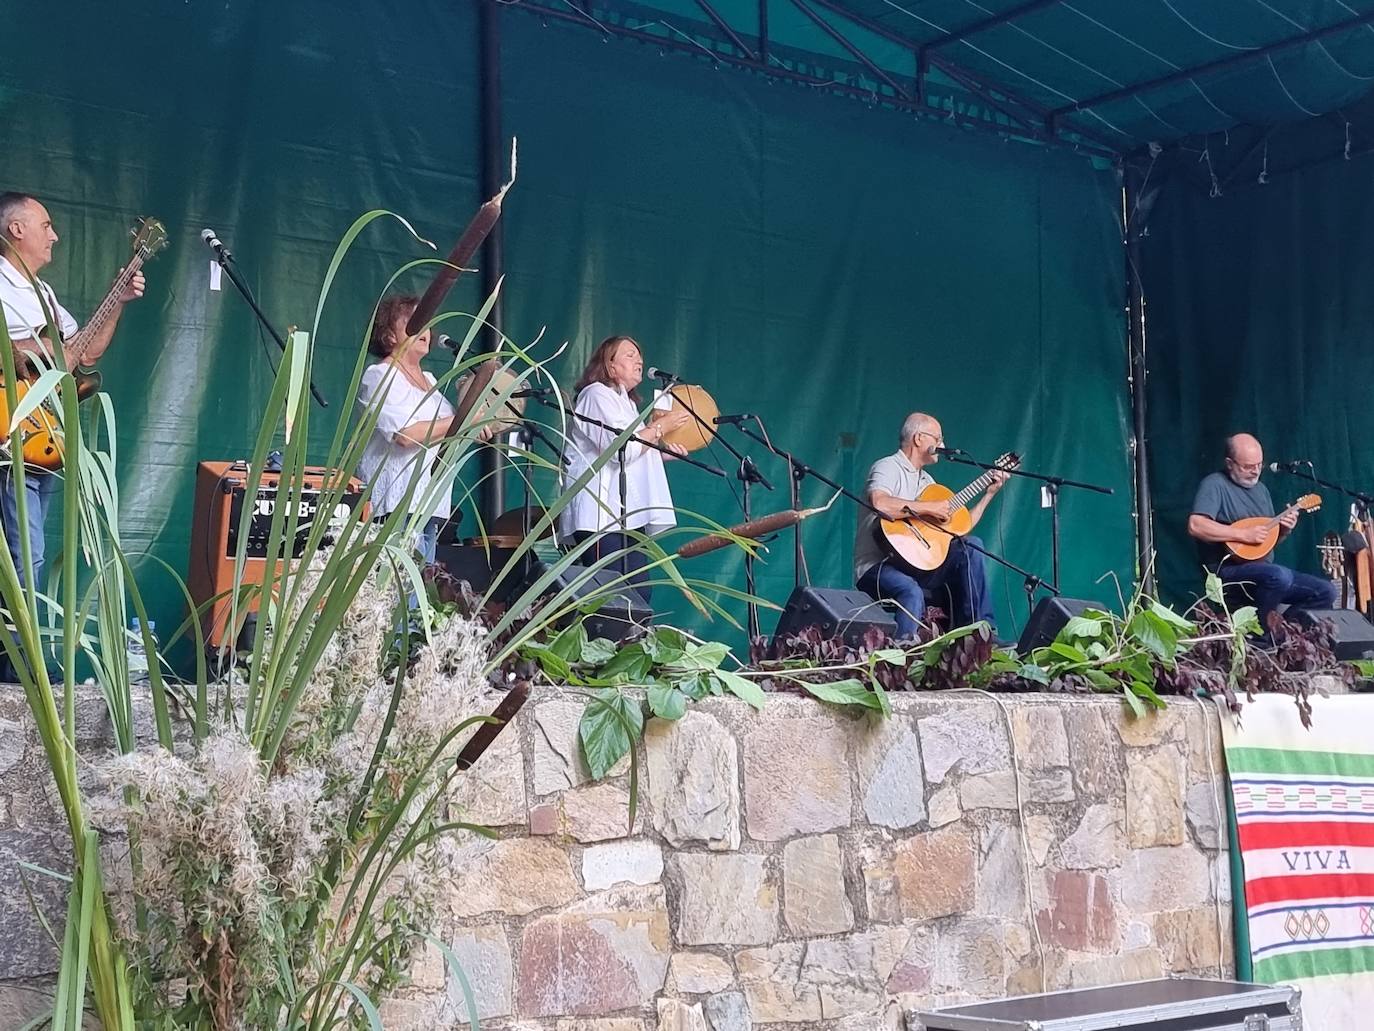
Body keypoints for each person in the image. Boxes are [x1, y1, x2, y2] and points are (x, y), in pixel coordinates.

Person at [0, 192, 145, 592]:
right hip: (9, 437)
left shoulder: (42, 293)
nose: (55, 236)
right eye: (46, 226)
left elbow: (84, 352)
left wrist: (118, 298)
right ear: (17, 229)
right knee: (24, 561)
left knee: (30, 558)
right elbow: (51, 352)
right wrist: (46, 349)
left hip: (43, 436)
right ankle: (21, 653)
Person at [355, 294, 489, 565]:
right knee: (392, 591)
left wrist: (479, 426)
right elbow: (405, 435)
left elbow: (448, 430)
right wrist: (466, 420)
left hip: (428, 503)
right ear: (389, 336)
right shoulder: (379, 375)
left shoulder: (430, 380)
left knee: (416, 592)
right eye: (413, 323)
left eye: (427, 323)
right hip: (393, 504)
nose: (424, 330)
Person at [853, 412, 1006, 640]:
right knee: (910, 590)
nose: (942, 445)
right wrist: (928, 507)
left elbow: (959, 529)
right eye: (938, 438)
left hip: (916, 564)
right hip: (877, 566)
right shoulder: (887, 467)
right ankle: (902, 657)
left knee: (971, 546)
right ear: (918, 438)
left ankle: (980, 634)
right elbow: (881, 503)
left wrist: (988, 495)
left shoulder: (928, 483)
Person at [560, 335, 689, 604]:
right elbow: (620, 450)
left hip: (626, 515)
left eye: (639, 355)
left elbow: (635, 454)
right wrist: (661, 428)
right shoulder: (596, 394)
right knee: (609, 596)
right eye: (629, 355)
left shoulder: (628, 404)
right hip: (600, 514)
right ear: (610, 365)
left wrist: (662, 454)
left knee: (639, 593)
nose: (639, 360)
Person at [1187, 432, 1336, 637]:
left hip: (1263, 569)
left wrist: (1283, 530)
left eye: (1259, 464)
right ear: (1230, 463)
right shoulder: (1215, 484)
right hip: (1226, 571)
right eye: (1248, 466)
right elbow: (1196, 525)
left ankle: (1282, 634)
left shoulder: (1262, 490)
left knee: (1326, 591)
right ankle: (1262, 638)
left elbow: (1263, 544)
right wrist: (1242, 534)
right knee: (1278, 576)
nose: (1256, 471)